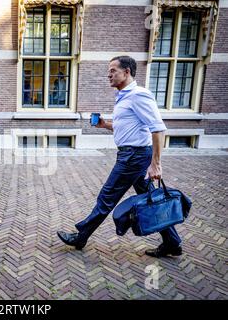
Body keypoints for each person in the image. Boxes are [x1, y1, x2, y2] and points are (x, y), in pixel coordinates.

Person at [57, 56, 182, 258]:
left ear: (127, 72)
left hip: (133, 157)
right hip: (132, 155)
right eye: (109, 70)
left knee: (107, 196)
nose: (109, 74)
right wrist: (105, 125)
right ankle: (172, 243)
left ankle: (81, 237)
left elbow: (158, 129)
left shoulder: (139, 95)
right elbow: (129, 127)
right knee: (151, 199)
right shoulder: (124, 97)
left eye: (113, 70)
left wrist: (156, 165)